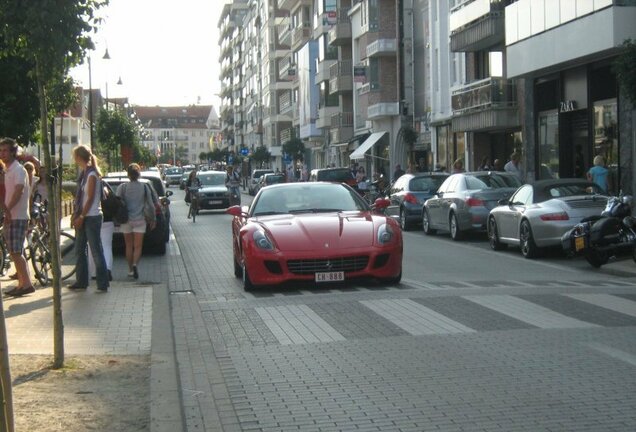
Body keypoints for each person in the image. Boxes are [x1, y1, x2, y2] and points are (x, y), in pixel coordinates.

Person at [69, 144, 109, 292]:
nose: (74, 160)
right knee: (79, 249)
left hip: (91, 216)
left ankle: (103, 283)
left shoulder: (92, 175)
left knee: (95, 250)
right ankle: (81, 281)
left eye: (75, 157)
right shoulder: (85, 173)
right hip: (84, 215)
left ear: (79, 157)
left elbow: (91, 197)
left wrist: (82, 216)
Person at [1, 138, 35, 297]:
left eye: (5, 150)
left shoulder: (18, 170)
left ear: (13, 153)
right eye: (1, 151)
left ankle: (27, 284)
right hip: (12, 215)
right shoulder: (7, 170)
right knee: (16, 251)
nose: (2, 153)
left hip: (17, 216)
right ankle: (22, 283)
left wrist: (8, 210)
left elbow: (19, 190)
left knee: (15, 251)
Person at [117, 163, 157, 280]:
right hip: (139, 220)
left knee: (128, 246)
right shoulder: (144, 187)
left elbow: (118, 203)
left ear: (128, 175)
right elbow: (150, 204)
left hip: (126, 220)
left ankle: (130, 270)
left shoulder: (122, 187)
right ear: (139, 174)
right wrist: (153, 218)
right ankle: (135, 264)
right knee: (138, 246)